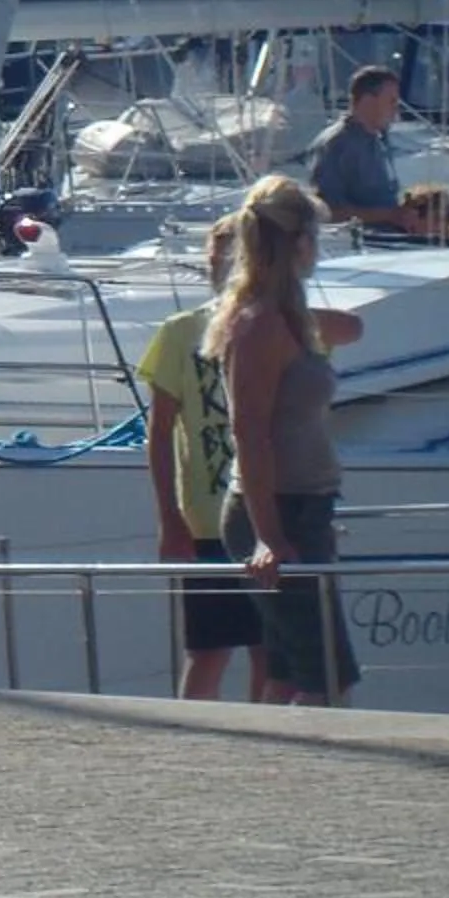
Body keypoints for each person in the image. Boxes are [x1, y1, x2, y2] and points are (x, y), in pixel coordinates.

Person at [209, 175, 363, 705]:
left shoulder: (286, 319)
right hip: (279, 512)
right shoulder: (258, 327)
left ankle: (264, 778)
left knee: (286, 672)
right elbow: (249, 433)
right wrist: (269, 535)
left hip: (307, 505)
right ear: (298, 243)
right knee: (328, 675)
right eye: (315, 237)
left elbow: (353, 328)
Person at [135, 220, 264, 702]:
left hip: (265, 515)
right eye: (214, 259)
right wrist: (169, 517)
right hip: (207, 521)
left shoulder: (271, 327)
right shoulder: (180, 332)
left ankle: (266, 748)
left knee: (268, 649)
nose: (219, 268)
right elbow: (160, 430)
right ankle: (191, 742)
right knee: (208, 648)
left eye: (231, 259)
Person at [308, 65, 432, 236]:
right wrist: (389, 215)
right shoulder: (336, 144)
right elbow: (328, 211)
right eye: (391, 101)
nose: (396, 109)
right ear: (367, 100)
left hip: (391, 240)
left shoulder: (379, 139)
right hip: (361, 247)